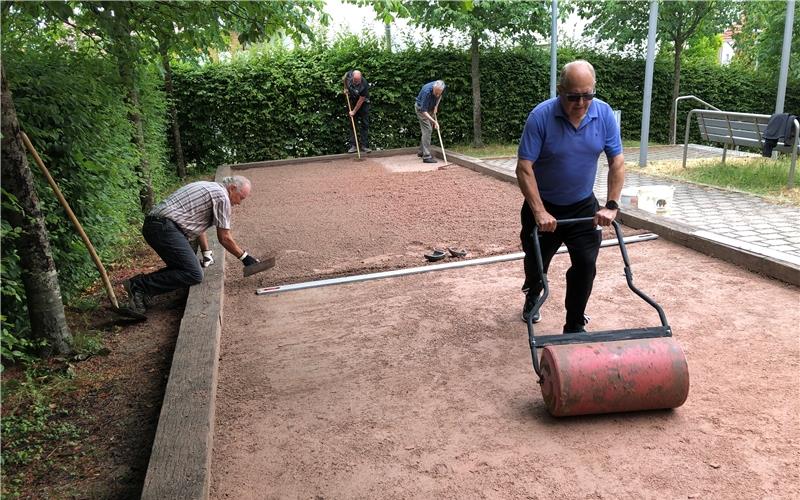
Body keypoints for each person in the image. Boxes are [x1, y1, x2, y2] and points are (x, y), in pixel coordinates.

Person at [516, 60, 625, 333]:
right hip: (544, 206)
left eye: (587, 95)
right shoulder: (540, 116)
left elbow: (617, 162)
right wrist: (539, 211)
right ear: (559, 90)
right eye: (573, 96)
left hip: (582, 207)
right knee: (535, 261)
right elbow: (524, 167)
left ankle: (574, 323)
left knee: (586, 265)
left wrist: (611, 205)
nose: (581, 103)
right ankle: (534, 291)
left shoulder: (604, 114)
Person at [123, 175, 259, 316]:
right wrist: (245, 258)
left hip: (156, 225)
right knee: (193, 273)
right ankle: (139, 286)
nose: (239, 203)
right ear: (232, 188)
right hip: (164, 228)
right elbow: (224, 238)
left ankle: (145, 291)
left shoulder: (209, 187)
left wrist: (206, 252)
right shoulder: (222, 197)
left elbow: (197, 224)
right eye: (241, 198)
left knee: (183, 267)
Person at [414, 80, 445, 164]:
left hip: (431, 108)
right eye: (436, 92)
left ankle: (421, 151)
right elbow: (423, 110)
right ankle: (426, 156)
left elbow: (440, 96)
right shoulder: (426, 92)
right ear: (433, 88)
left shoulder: (441, 87)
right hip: (421, 110)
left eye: (439, 92)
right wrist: (434, 121)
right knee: (428, 130)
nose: (437, 94)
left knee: (426, 131)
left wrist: (436, 106)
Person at [343, 70, 371, 154]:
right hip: (352, 101)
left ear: (361, 78)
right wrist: (345, 88)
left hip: (363, 103)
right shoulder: (349, 76)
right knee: (352, 124)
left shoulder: (364, 84)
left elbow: (361, 100)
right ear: (352, 77)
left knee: (364, 124)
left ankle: (364, 146)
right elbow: (344, 78)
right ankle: (353, 146)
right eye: (355, 81)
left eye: (358, 81)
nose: (356, 82)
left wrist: (354, 111)